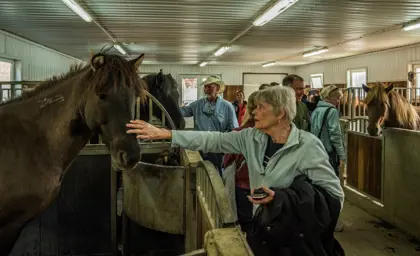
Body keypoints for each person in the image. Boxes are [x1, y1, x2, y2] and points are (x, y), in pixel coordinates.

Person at [127, 86, 344, 255]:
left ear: (281, 114)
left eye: (261, 107)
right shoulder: (251, 137)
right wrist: (168, 134)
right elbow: (214, 139)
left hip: (295, 236)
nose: (253, 112)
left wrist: (283, 198)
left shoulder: (307, 145)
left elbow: (334, 194)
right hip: (263, 226)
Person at [179, 75, 238, 174]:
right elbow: (182, 112)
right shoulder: (197, 104)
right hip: (200, 145)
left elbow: (233, 128)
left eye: (210, 87)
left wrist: (225, 144)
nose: (206, 89)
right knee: (200, 172)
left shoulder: (227, 106)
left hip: (218, 147)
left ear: (218, 88)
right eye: (205, 87)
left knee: (216, 174)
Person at [311, 85, 346, 233]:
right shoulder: (331, 111)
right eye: (337, 97)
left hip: (316, 152)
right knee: (332, 189)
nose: (338, 100)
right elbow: (335, 135)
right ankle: (332, 221)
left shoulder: (316, 110)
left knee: (319, 186)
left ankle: (318, 218)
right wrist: (342, 155)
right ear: (328, 97)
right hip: (328, 154)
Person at [223, 91, 258, 236]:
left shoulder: (238, 132)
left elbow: (227, 160)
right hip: (269, 188)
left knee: (247, 224)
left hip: (243, 186)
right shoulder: (280, 136)